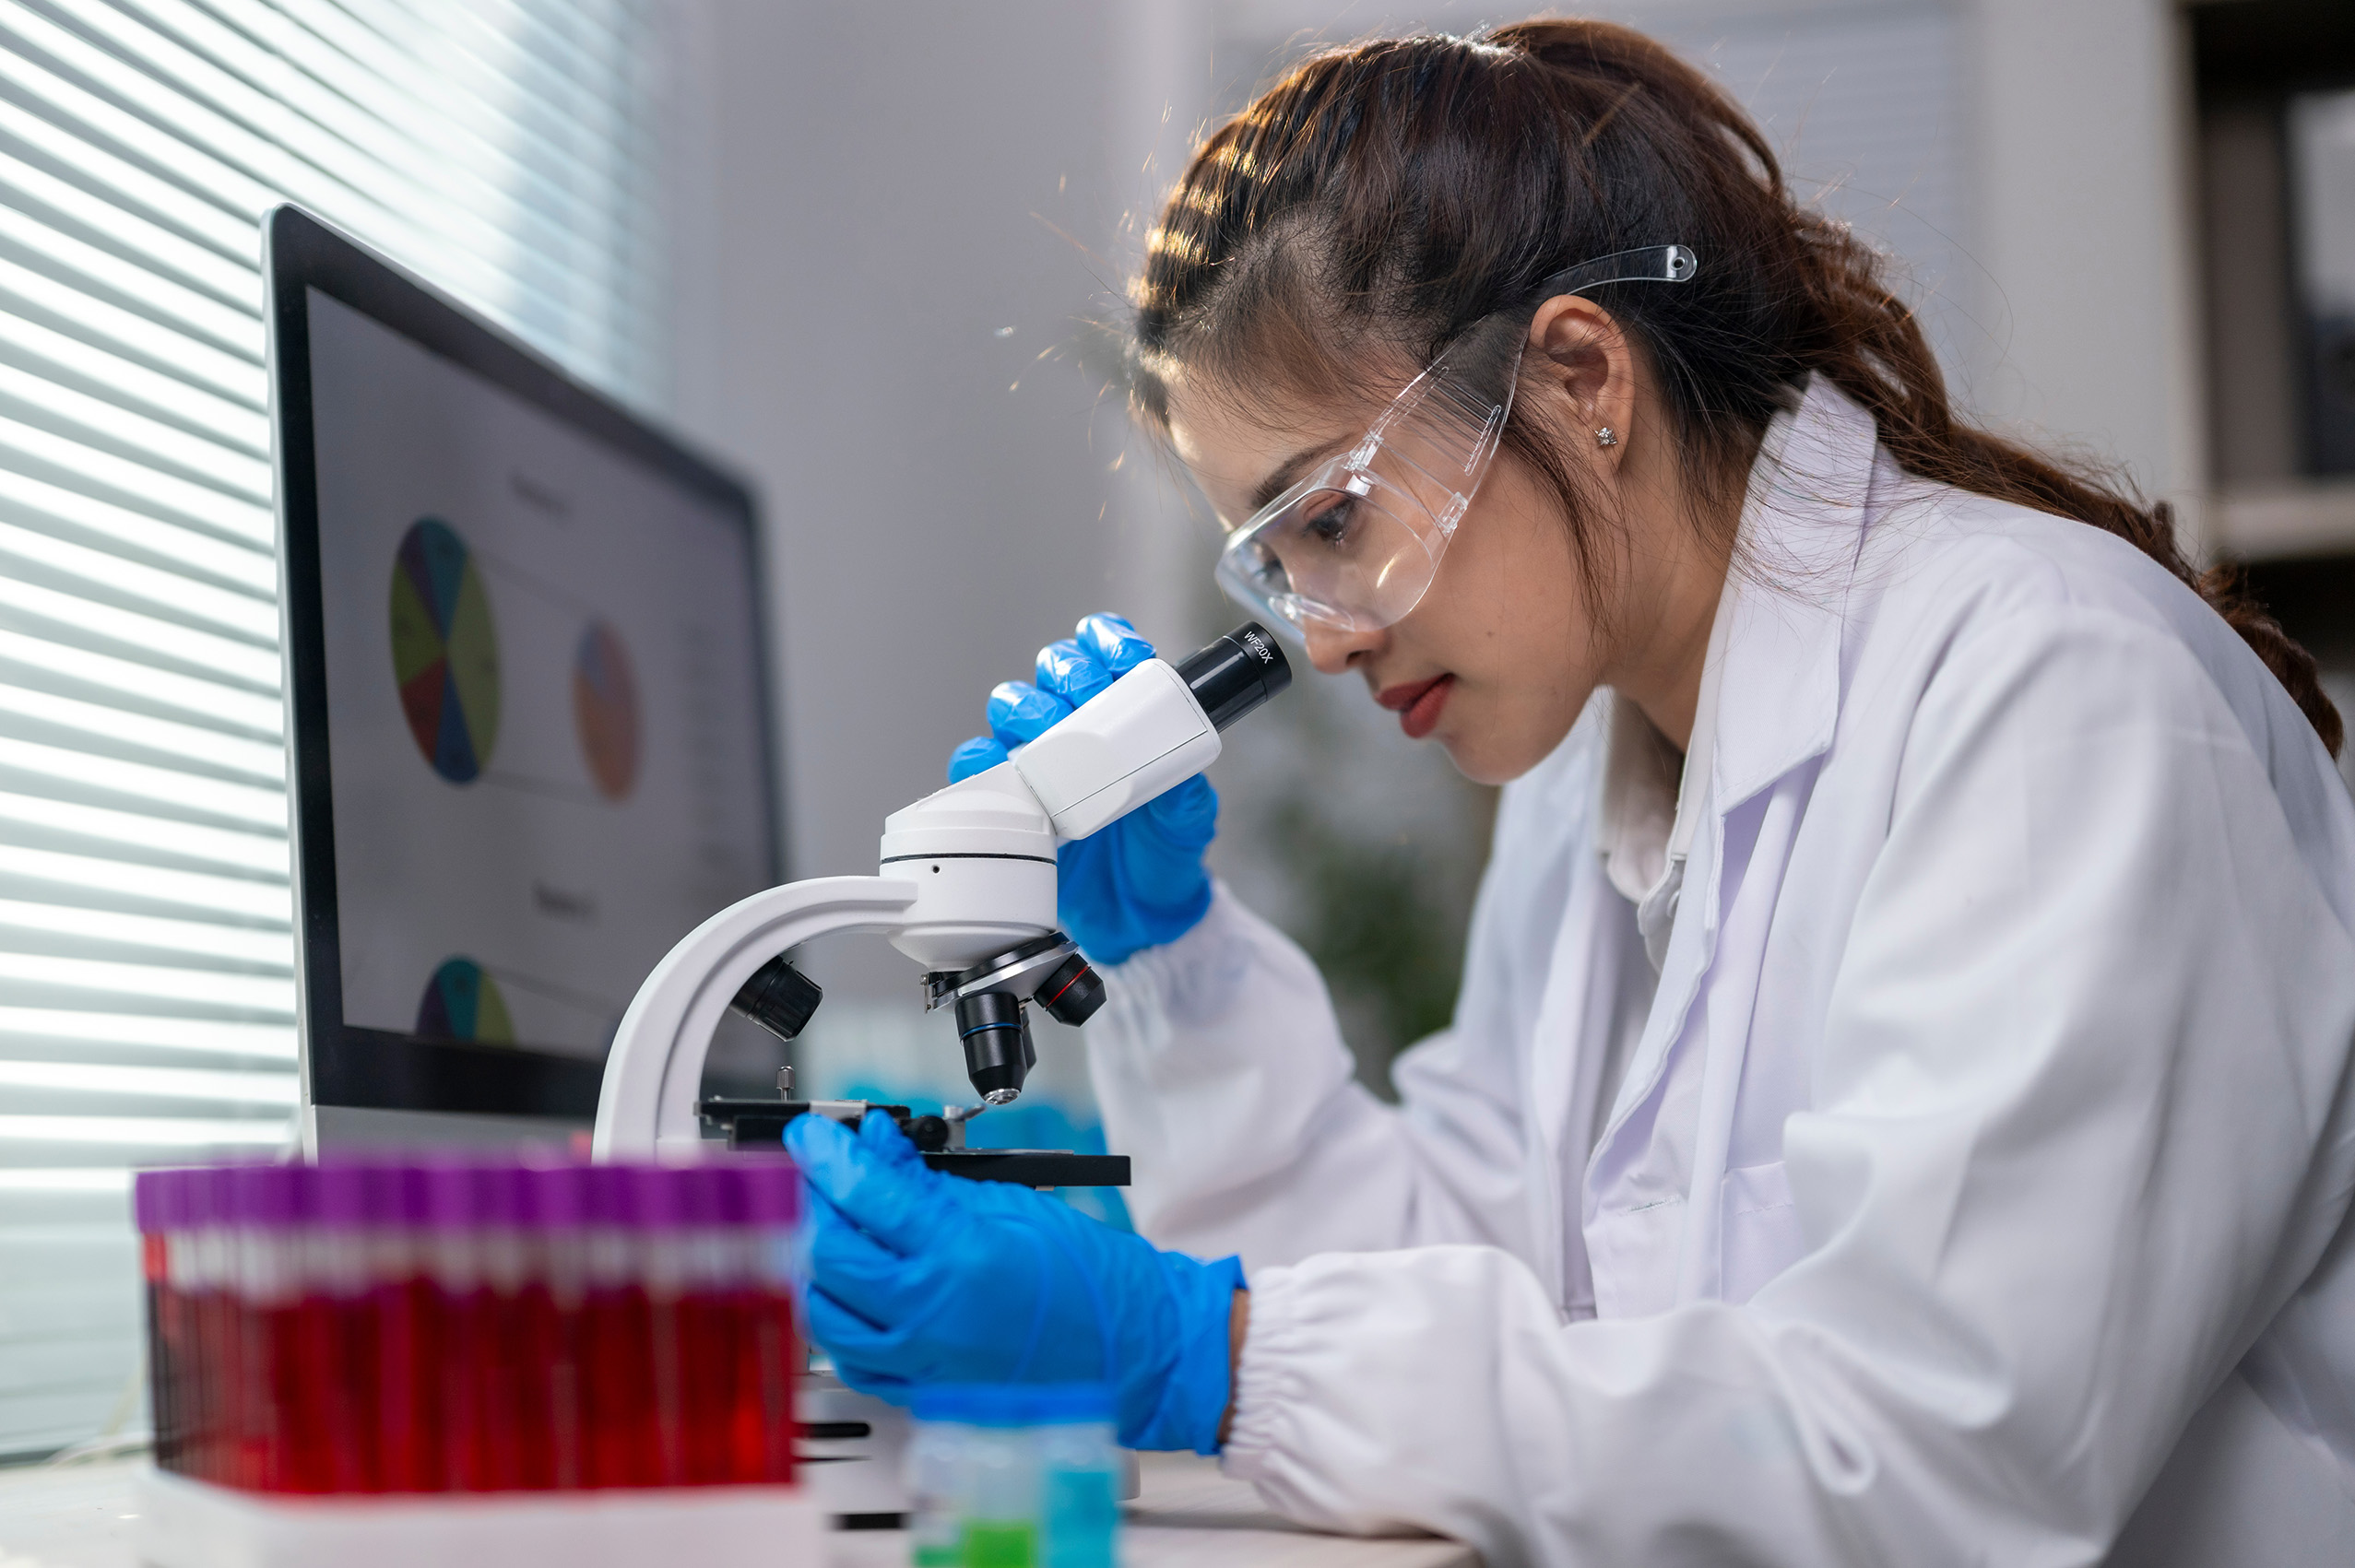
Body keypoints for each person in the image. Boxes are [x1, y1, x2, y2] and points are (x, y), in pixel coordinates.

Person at [784, 18, 2355, 1565]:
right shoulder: (1587, 768)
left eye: (1329, 521)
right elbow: (1483, 1277)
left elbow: (1929, 1450)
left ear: (1578, 379)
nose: (1321, 640)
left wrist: (1208, 1349)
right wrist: (1174, 964)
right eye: (1272, 571)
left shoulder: (2050, 691)